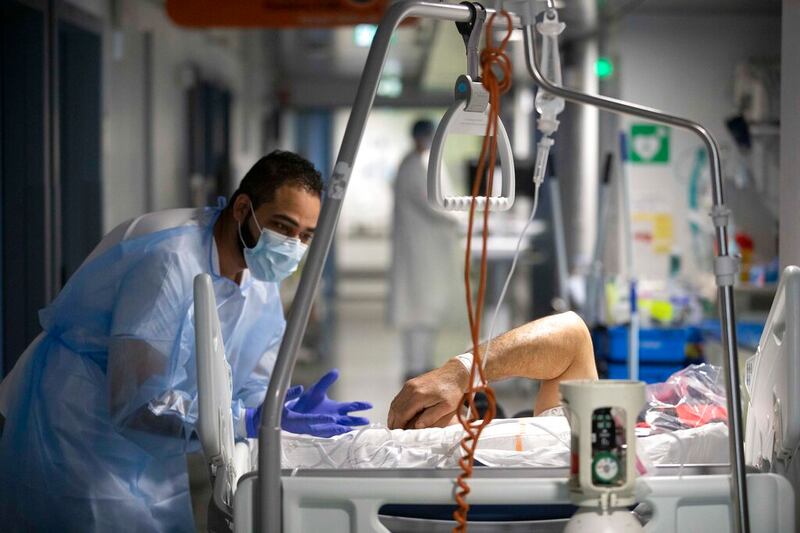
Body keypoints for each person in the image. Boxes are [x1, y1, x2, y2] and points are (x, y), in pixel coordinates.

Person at [0, 151, 371, 532]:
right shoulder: (168, 263)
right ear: (243, 208)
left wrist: (279, 408)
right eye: (282, 227)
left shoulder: (260, 281)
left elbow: (252, 380)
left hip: (156, 443)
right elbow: (137, 401)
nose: (292, 246)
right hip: (80, 426)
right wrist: (245, 421)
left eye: (305, 236)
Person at [387, 311, 597, 430]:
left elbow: (572, 336)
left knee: (483, 405)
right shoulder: (565, 440)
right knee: (484, 405)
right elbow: (573, 336)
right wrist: (460, 373)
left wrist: (461, 373)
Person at [389, 119, 461, 381]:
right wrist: (463, 218)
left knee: (426, 310)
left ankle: (422, 364)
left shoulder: (422, 162)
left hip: (427, 250)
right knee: (418, 310)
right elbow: (434, 204)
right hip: (418, 252)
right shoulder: (413, 166)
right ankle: (416, 367)